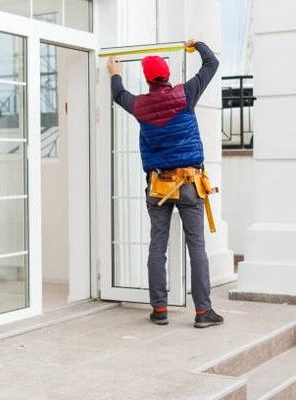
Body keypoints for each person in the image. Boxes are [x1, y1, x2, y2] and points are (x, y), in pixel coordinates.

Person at [107, 39, 224, 329]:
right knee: (196, 245)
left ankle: (159, 309)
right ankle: (202, 312)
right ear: (167, 75)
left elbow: (118, 93)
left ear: (147, 79)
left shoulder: (139, 105)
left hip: (158, 186)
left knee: (157, 245)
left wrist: (114, 71)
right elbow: (212, 64)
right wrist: (197, 44)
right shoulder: (186, 94)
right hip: (189, 183)